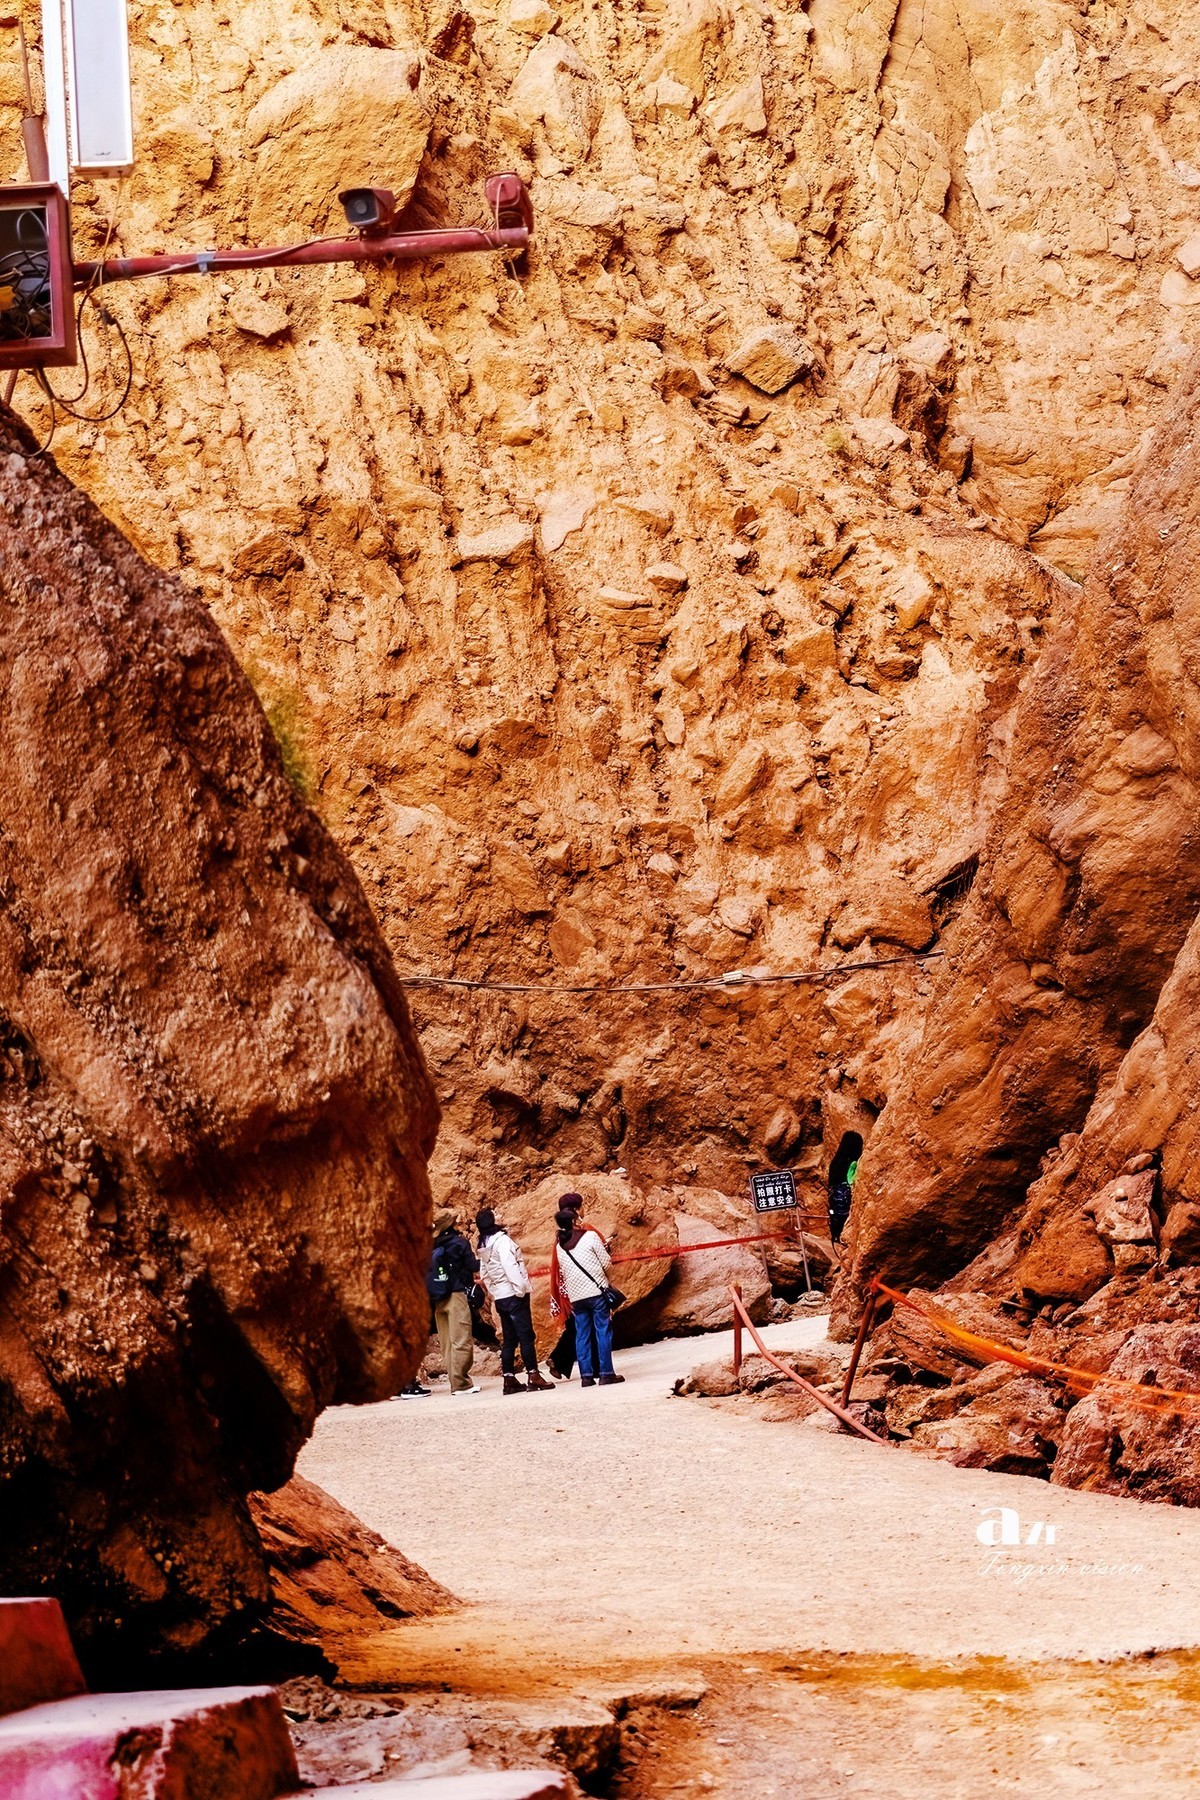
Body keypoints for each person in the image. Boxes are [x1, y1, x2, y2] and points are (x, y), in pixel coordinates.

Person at [476, 1207, 554, 1395]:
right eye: (495, 1214)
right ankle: (533, 1376)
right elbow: (510, 1266)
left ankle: (509, 1379)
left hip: (501, 1296)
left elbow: (484, 1273)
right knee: (526, 1336)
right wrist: (520, 1290)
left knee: (509, 1340)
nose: (499, 1215)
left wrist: (495, 1291)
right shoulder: (501, 1241)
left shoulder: (483, 1245)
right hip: (513, 1294)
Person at [552, 1206, 624, 1387]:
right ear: (574, 1221)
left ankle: (586, 1376)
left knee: (582, 1335)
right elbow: (606, 1263)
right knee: (603, 1331)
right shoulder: (590, 1236)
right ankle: (606, 1373)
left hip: (576, 1297)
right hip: (596, 1292)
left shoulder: (560, 1246)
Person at [427, 1207, 481, 1394]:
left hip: (438, 1297)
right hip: (456, 1295)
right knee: (461, 1339)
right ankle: (461, 1384)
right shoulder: (459, 1243)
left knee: (447, 1342)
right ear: (450, 1225)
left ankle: (454, 1380)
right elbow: (473, 1265)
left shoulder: (431, 1245)